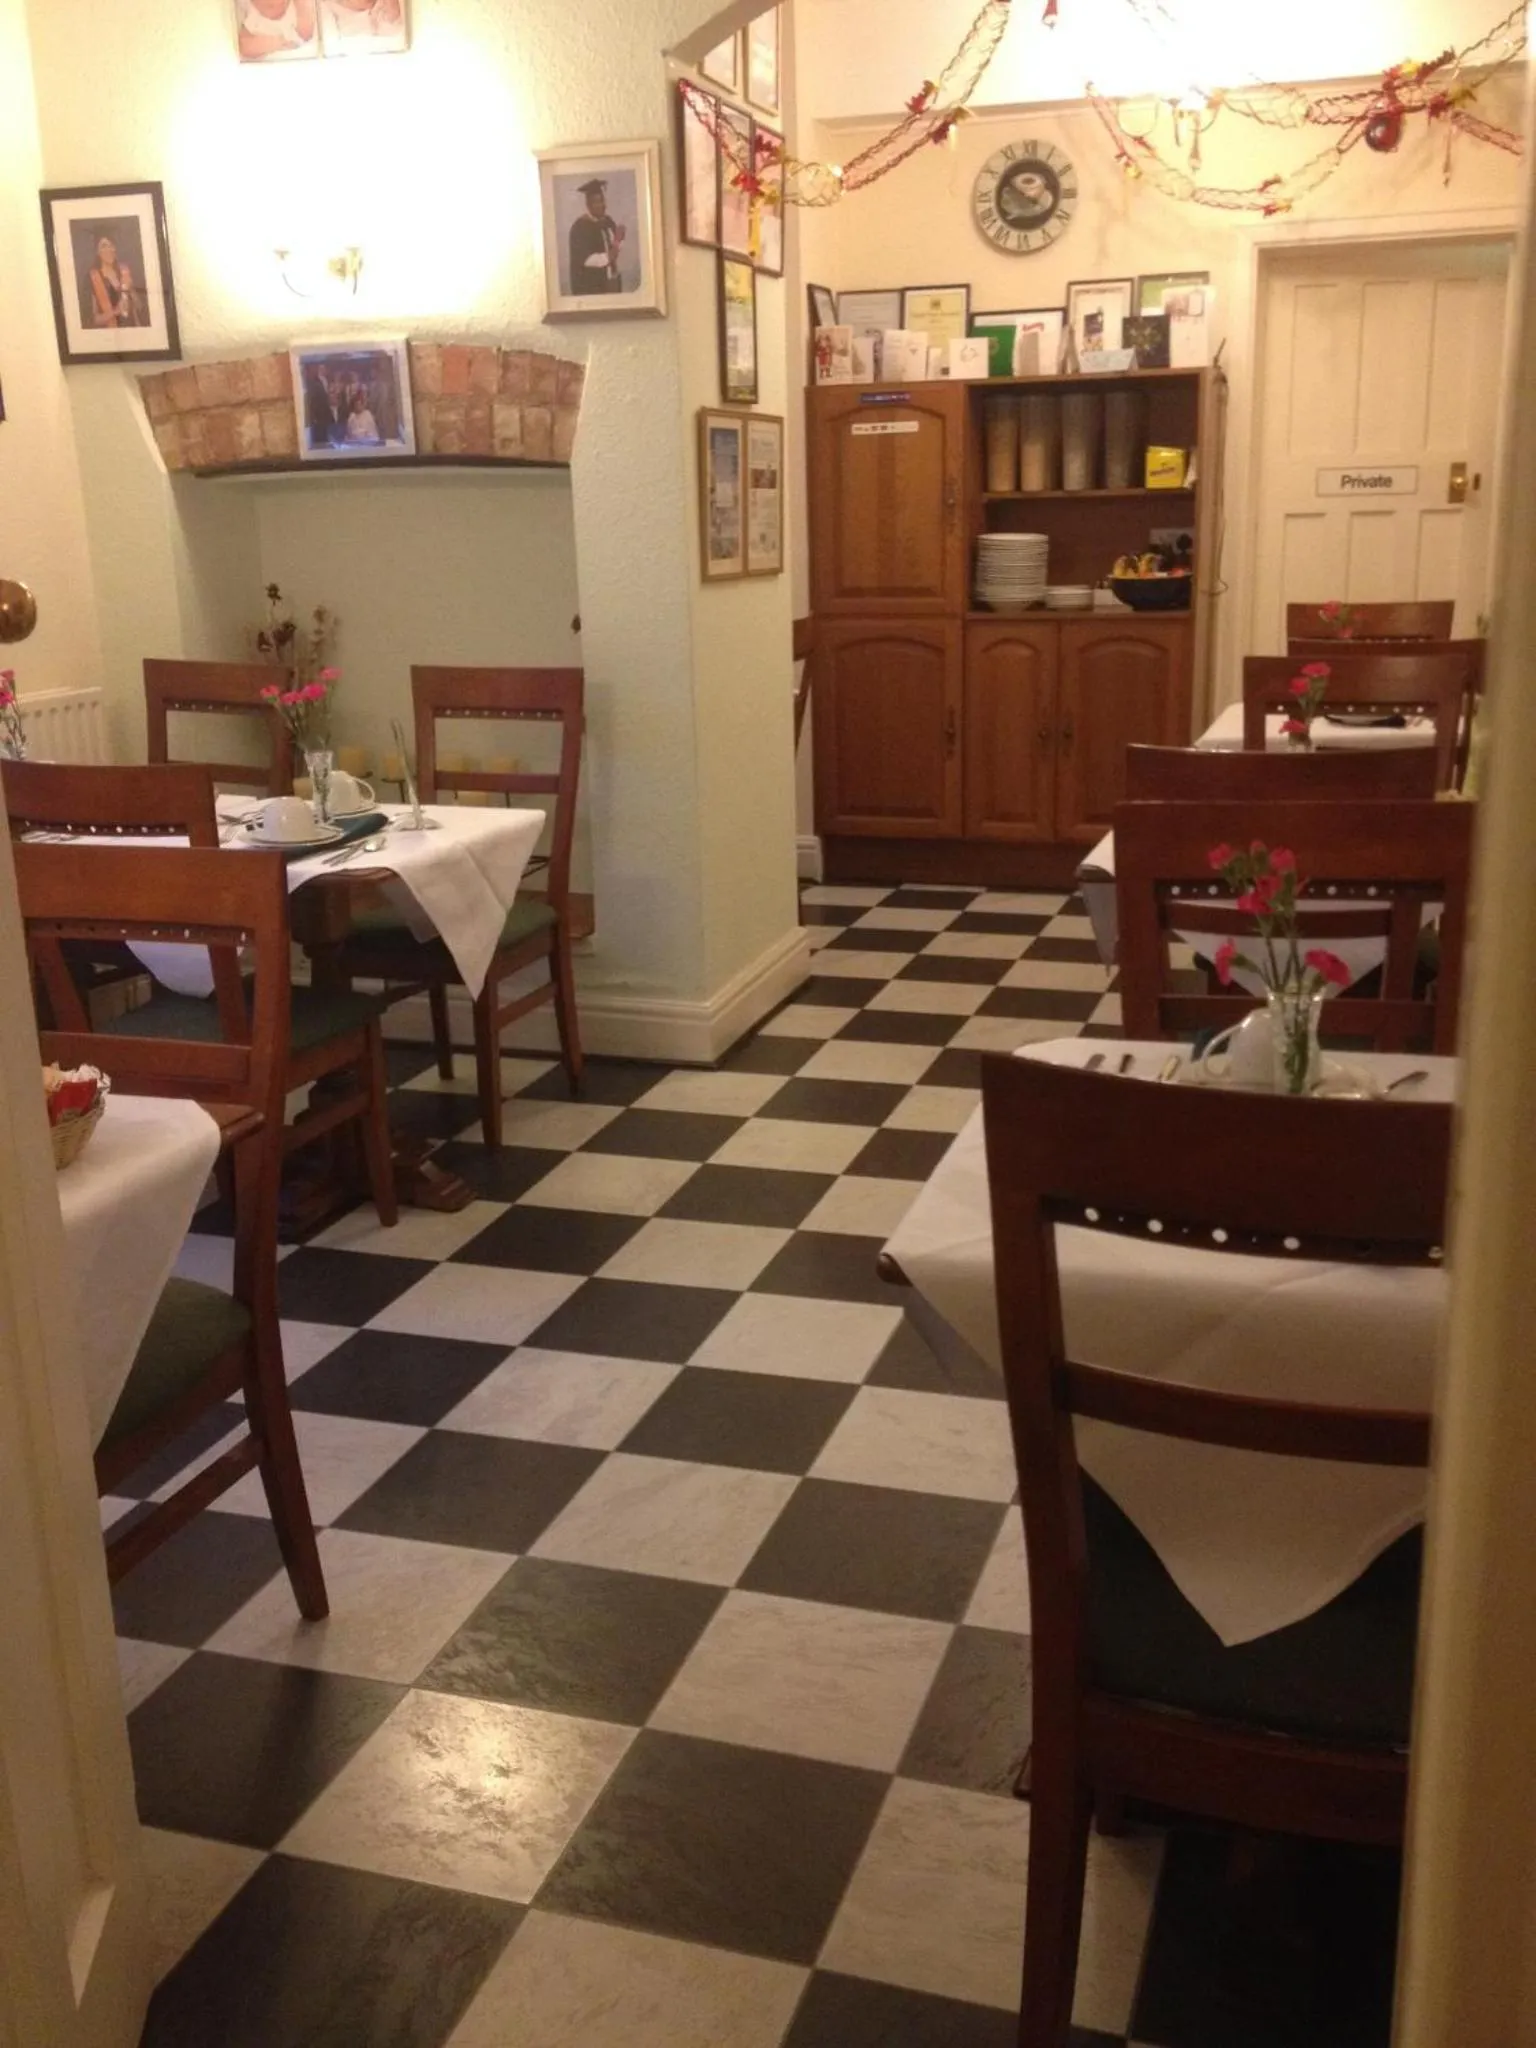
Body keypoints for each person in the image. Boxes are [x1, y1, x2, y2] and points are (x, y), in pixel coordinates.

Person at [567, 179, 625, 295]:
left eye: (603, 201)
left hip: (611, 283)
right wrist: (612, 252)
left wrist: (619, 239)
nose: (603, 205)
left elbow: (617, 243)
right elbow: (588, 260)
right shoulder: (580, 227)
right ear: (588, 205)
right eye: (597, 202)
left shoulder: (607, 221)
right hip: (591, 287)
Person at [86, 235, 146, 329]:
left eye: (111, 245)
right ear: (97, 252)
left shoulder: (124, 271)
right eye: (104, 246)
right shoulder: (93, 278)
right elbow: (94, 319)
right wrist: (116, 311)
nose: (109, 249)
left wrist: (130, 289)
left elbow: (139, 307)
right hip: (110, 337)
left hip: (132, 333)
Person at [237, 0, 318, 59]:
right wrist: (278, 42)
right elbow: (244, 46)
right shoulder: (255, 20)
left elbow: (306, 33)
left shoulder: (299, 7)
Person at [304, 367, 337, 451]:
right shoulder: (310, 385)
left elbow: (323, 403)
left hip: (321, 420)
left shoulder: (317, 384)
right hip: (314, 421)